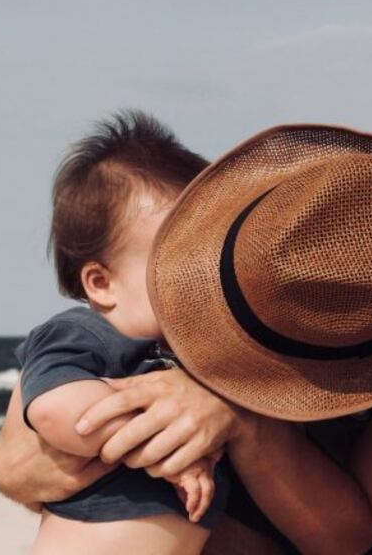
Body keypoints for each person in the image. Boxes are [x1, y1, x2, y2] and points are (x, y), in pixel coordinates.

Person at [0, 122, 372, 555]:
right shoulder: (294, 215)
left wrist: (235, 410)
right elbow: (36, 425)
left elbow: (352, 528)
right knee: (190, 464)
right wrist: (15, 460)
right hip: (317, 467)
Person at [16, 111, 231, 555]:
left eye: (208, 260)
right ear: (101, 283)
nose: (202, 280)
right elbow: (59, 412)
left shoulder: (186, 351)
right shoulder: (82, 335)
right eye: (177, 265)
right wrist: (166, 451)